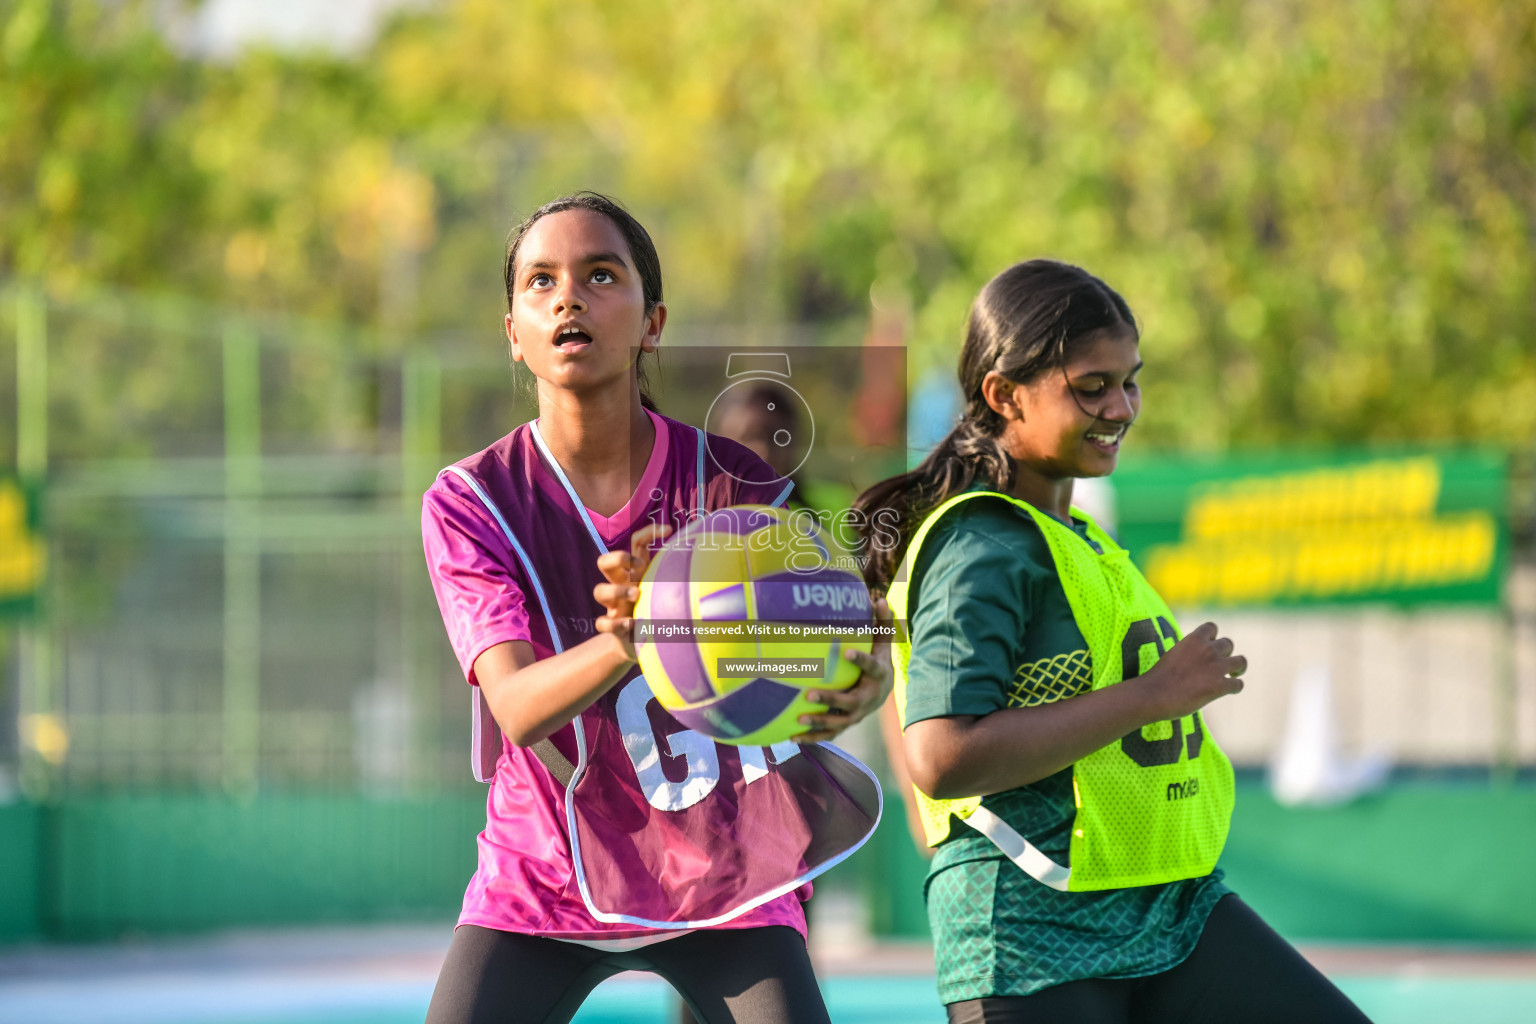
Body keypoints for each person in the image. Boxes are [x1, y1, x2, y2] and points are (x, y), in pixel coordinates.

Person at [854, 260, 1371, 1024]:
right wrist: (1154, 696)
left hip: (1166, 905)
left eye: (1130, 381)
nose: (1121, 406)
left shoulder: (1077, 535)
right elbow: (940, 755)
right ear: (1003, 395)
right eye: (1091, 386)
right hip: (1033, 931)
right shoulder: (982, 544)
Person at [420, 192, 890, 1024]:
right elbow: (519, 707)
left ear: (652, 322)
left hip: (721, 866)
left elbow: (839, 639)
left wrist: (864, 677)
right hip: (543, 877)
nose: (568, 297)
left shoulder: (736, 485)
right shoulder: (471, 501)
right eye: (541, 282)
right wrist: (637, 638)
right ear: (514, 334)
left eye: (601, 275)